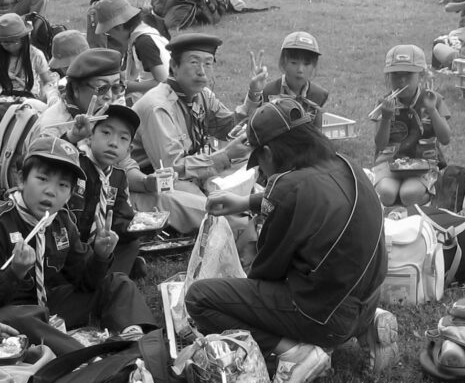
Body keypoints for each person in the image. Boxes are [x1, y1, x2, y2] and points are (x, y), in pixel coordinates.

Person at [185, 97, 398, 380]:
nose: (262, 171)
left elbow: (266, 274)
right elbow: (307, 197)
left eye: (259, 161)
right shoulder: (348, 166)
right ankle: (369, 323)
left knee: (199, 298)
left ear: (268, 153)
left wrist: (243, 273)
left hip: (327, 319)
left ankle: (296, 353)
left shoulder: (288, 188)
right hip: (364, 299)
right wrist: (247, 202)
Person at [0, 137, 157, 344]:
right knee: (14, 318)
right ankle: (78, 352)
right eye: (42, 179)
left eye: (62, 185)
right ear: (21, 180)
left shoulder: (62, 222)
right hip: (11, 311)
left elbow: (84, 281)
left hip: (51, 305)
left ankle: (136, 336)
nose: (51, 191)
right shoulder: (4, 221)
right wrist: (15, 272)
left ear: (70, 194)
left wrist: (100, 256)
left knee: (116, 282)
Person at [130, 34, 267, 228]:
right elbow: (171, 168)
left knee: (249, 159)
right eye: (194, 62)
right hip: (158, 182)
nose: (202, 71)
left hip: (192, 172)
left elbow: (227, 127)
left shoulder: (202, 95)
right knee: (214, 211)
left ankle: (238, 206)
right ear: (174, 66)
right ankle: (241, 221)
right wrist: (225, 155)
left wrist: (253, 94)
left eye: (208, 63)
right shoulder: (157, 107)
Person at [371, 45, 451, 207]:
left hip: (424, 164)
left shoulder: (433, 99)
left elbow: (445, 139)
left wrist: (432, 110)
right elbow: (380, 145)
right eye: (395, 75)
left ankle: (428, 197)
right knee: (386, 193)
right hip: (391, 163)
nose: (402, 81)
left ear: (421, 75)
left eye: (408, 75)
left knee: (408, 194)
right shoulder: (385, 103)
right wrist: (386, 118)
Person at [69, 104, 143, 277]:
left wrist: (141, 224)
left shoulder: (119, 177)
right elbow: (52, 157)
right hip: (71, 244)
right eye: (106, 133)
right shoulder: (75, 164)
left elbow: (121, 218)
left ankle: (111, 277)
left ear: (129, 150)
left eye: (123, 138)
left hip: (99, 245)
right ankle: (109, 276)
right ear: (89, 137)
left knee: (131, 244)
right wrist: (72, 137)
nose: (113, 143)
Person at [93, 0, 170, 101]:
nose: (111, 36)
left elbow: (164, 82)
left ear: (119, 26)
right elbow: (136, 72)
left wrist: (130, 87)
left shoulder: (143, 43)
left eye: (109, 33)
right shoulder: (140, 31)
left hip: (163, 100)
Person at [262, 32, 328, 127]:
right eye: (294, 63)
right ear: (283, 62)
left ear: (314, 65)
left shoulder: (319, 96)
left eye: (306, 64)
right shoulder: (268, 92)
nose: (300, 70)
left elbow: (318, 131)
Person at [0, 13, 56, 105]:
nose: (7, 46)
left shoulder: (36, 55)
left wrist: (45, 96)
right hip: (4, 99)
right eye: (4, 42)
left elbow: (47, 81)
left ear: (24, 39)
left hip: (29, 99)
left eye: (13, 41)